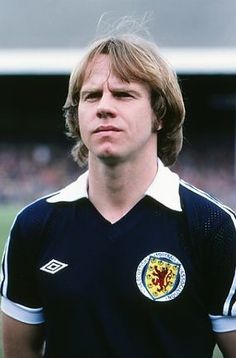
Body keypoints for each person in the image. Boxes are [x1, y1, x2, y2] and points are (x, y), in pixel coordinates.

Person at [1, 29, 236, 358]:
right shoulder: (34, 226)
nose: (104, 108)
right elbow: (18, 352)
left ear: (159, 114)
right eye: (92, 95)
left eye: (123, 95)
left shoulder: (213, 227)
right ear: (76, 113)